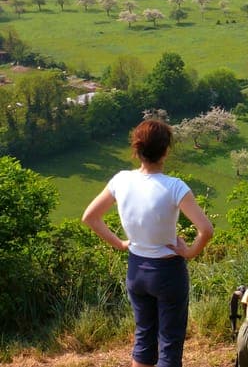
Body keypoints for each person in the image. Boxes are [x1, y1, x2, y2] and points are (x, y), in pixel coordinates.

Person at [82, 119, 214, 367]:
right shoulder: (175, 187)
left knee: (143, 338)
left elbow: (90, 217)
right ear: (165, 151)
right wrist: (190, 252)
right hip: (168, 272)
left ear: (137, 150)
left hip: (136, 270)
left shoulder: (121, 180)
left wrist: (120, 244)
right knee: (170, 342)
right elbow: (206, 229)